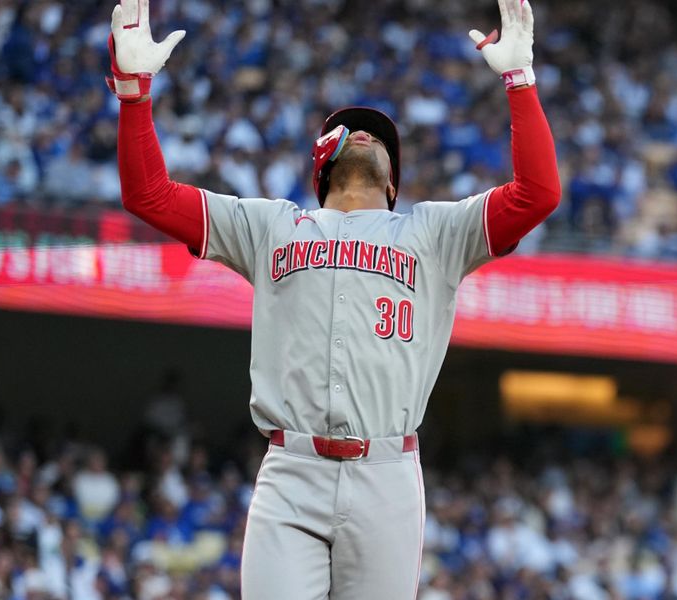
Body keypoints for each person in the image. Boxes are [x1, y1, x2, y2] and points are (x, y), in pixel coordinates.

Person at [107, 0, 560, 596]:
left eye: (381, 139)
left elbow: (538, 194)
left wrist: (520, 82)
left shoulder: (433, 233)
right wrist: (134, 94)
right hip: (292, 470)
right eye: (354, 130)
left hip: (387, 474)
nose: (369, 135)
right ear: (322, 167)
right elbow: (149, 196)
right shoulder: (272, 225)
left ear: (393, 182)